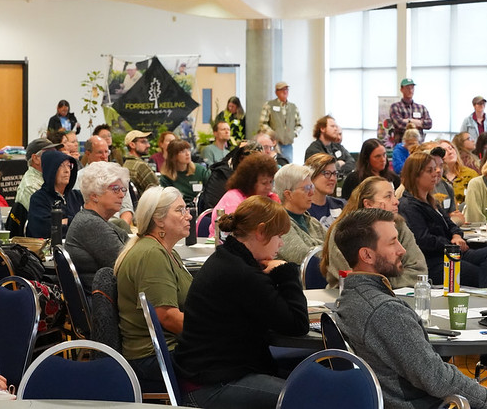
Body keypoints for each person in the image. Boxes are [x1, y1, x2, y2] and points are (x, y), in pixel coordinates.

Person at [333, 208, 487, 409]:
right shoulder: (384, 310)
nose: (402, 249)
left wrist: (477, 390)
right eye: (392, 242)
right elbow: (434, 377)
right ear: (367, 255)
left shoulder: (349, 297)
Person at [174, 196, 308, 409]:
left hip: (209, 374)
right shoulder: (241, 274)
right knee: (310, 397)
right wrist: (287, 272)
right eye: (279, 236)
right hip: (211, 387)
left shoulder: (228, 259)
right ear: (261, 231)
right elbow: (297, 325)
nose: (281, 243)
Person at [115, 186, 191, 390]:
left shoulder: (166, 252)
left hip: (168, 349)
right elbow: (167, 317)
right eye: (180, 210)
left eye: (187, 209)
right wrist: (214, 331)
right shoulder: (152, 255)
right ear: (159, 220)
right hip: (155, 356)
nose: (189, 216)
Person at [398, 152, 487, 287]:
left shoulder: (432, 201)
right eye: (429, 171)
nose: (435, 173)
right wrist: (451, 243)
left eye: (436, 169)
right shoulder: (408, 206)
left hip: (451, 250)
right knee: (479, 273)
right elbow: (423, 240)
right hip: (434, 260)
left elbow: (450, 224)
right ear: (415, 175)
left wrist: (456, 235)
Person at [321, 177, 427, 289]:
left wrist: (384, 282)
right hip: (347, 297)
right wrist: (389, 280)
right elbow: (357, 279)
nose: (396, 201)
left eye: (394, 196)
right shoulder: (345, 231)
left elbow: (419, 272)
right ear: (368, 204)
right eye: (388, 196)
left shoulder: (399, 225)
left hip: (396, 296)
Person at [65, 161, 129, 292]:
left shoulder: (96, 221)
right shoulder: (90, 223)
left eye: (123, 190)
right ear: (94, 195)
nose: (122, 195)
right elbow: (128, 266)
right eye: (115, 189)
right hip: (103, 303)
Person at [69, 136, 134, 226]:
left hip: (118, 225)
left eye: (106, 152)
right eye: (100, 152)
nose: (104, 156)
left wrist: (122, 228)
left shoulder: (118, 175)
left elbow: (127, 208)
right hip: (91, 224)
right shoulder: (79, 177)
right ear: (88, 154)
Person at [210, 152, 279, 237]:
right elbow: (240, 236)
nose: (269, 187)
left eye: (271, 182)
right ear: (250, 183)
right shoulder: (233, 200)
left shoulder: (270, 198)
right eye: (264, 183)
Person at [274, 164, 325, 264]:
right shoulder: (279, 223)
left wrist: (316, 247)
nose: (312, 193)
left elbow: (337, 246)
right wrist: (323, 247)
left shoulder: (312, 221)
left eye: (312, 187)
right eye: (306, 188)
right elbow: (305, 257)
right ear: (288, 194)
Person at [27, 150, 78, 239]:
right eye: (61, 166)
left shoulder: (76, 196)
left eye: (69, 166)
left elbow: (88, 224)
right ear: (51, 170)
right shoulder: (39, 199)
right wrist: (73, 222)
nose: (67, 171)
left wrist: (66, 221)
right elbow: (45, 230)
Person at [259, 81, 302, 162]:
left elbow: (299, 125)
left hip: (288, 145)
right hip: (273, 145)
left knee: (288, 166)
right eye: (282, 89)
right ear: (276, 92)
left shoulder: (293, 107)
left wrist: (293, 134)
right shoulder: (269, 105)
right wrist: (273, 135)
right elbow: (263, 124)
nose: (285, 91)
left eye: (286, 89)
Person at [15, 138, 61, 211]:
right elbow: (45, 216)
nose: (56, 157)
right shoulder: (30, 186)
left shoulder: (48, 177)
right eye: (50, 154)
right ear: (36, 159)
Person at [159, 139, 210, 204]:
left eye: (188, 150)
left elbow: (211, 189)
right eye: (182, 151)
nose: (187, 154)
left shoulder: (200, 170)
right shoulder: (166, 177)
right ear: (173, 156)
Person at [305, 153, 345, 230]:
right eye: (327, 173)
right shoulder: (303, 210)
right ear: (312, 176)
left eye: (335, 174)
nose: (333, 178)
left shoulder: (341, 205)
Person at [389, 78, 432, 143]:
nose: (410, 90)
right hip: (401, 146)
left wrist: (409, 121)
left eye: (412, 88)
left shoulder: (421, 108)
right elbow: (399, 124)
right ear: (401, 90)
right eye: (407, 88)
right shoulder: (395, 107)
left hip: (418, 146)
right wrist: (419, 123)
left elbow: (429, 124)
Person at [438, 139, 477, 206]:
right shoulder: (436, 176)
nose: (450, 152)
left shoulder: (470, 174)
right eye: (444, 151)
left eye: (451, 148)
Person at [123, 129, 158, 194]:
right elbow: (157, 190)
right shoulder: (140, 165)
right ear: (132, 145)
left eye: (147, 142)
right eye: (143, 142)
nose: (148, 145)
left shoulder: (126, 163)